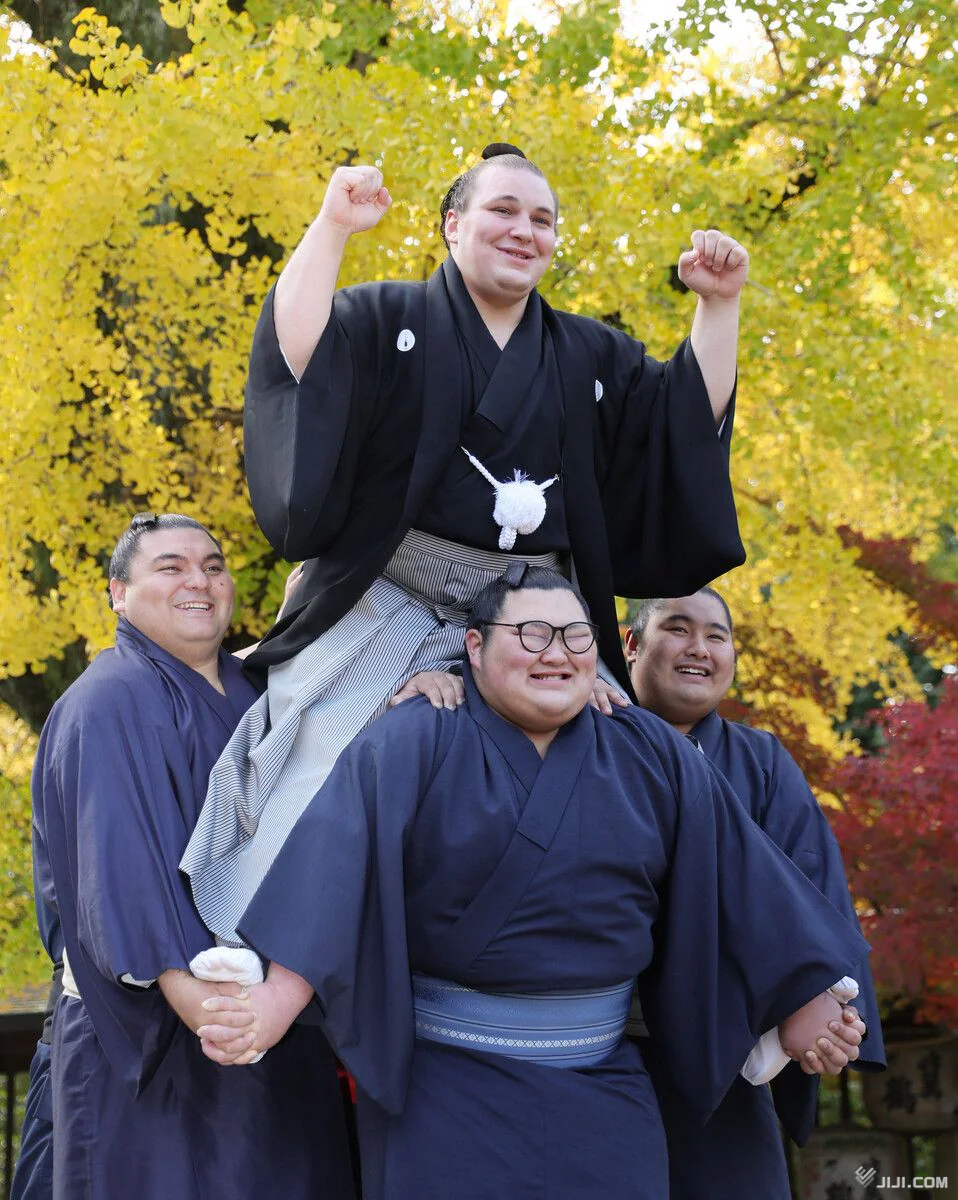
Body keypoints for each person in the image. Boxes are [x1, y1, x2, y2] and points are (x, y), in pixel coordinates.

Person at [183, 141, 750, 945]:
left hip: (540, 618)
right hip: (390, 597)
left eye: (542, 220)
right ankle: (263, 947)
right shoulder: (389, 319)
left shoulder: (589, 353)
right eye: (503, 211)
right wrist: (333, 226)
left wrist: (718, 306)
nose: (525, 231)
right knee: (326, 752)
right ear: (453, 224)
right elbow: (297, 358)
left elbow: (682, 423)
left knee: (631, 757)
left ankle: (662, 962)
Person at [198, 565, 869, 1200]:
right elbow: (334, 868)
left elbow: (739, 870)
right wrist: (276, 999)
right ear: (474, 647)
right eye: (532, 634)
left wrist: (802, 995)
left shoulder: (645, 747)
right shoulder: (412, 738)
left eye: (576, 637)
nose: (557, 654)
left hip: (606, 1085)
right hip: (445, 1088)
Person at [30, 514, 353, 1200]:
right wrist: (204, 1006)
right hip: (163, 1026)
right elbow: (117, 872)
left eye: (213, 566)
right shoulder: (105, 701)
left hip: (269, 1014)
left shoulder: (257, 690)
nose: (199, 582)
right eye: (170, 567)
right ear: (119, 593)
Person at [624, 587, 886, 1199]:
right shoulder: (588, 741)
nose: (699, 648)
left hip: (731, 1051)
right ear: (630, 644)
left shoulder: (761, 759)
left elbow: (814, 886)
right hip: (598, 1046)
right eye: (677, 629)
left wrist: (826, 1006)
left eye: (716, 636)